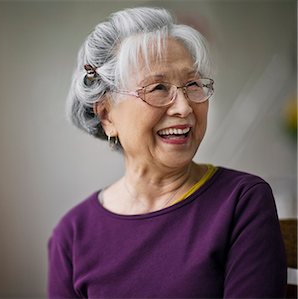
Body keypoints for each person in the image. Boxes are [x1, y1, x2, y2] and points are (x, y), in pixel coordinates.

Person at [48, 7, 287, 298]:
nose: (184, 108)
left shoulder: (241, 202)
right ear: (107, 115)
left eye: (193, 84)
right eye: (158, 87)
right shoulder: (72, 234)